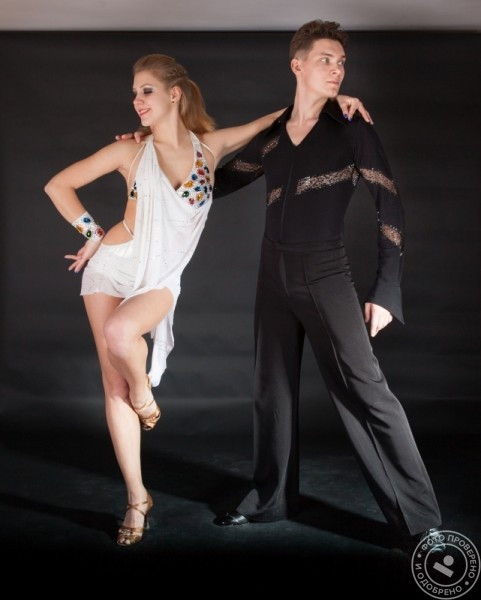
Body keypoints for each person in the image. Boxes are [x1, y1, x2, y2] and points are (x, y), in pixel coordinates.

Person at [45, 53, 368, 547]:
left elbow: (276, 118)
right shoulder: (131, 151)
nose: (137, 101)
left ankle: (145, 395)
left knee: (121, 335)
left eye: (146, 90)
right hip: (110, 269)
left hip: (159, 279)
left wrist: (330, 98)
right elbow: (58, 185)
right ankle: (136, 498)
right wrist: (91, 234)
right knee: (113, 386)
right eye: (134, 93)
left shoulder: (209, 148)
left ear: (174, 93)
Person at [211, 20, 443, 552]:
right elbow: (215, 183)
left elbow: (390, 206)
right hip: (272, 272)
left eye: (341, 62)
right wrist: (153, 155)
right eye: (325, 59)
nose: (337, 69)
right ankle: (270, 499)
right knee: (271, 389)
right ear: (298, 65)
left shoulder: (351, 127)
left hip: (325, 272)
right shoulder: (273, 136)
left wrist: (386, 289)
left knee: (366, 390)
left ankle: (419, 522)